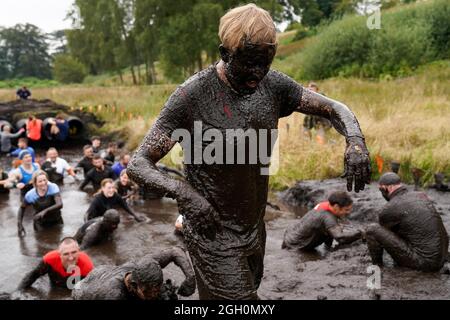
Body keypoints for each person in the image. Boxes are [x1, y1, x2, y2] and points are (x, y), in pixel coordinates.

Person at [127, 3, 370, 300]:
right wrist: (184, 194)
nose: (257, 74)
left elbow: (333, 108)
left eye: (264, 63)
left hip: (254, 230)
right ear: (225, 53)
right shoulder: (191, 97)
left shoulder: (274, 85)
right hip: (211, 234)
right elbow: (138, 164)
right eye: (249, 64)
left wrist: (355, 141)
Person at [365, 172, 449, 272]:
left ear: (389, 188)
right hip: (441, 259)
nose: (381, 192)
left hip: (424, 263)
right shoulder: (420, 195)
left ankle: (378, 267)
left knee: (372, 230)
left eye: (381, 189)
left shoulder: (389, 209)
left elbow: (381, 235)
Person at [72, 247, 195, 300]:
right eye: (149, 293)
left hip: (103, 272)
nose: (154, 295)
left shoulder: (143, 264)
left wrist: (190, 277)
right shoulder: (115, 295)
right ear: (135, 286)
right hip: (81, 292)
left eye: (156, 290)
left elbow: (175, 251)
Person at [282, 191, 362, 251]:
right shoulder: (327, 217)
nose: (349, 212)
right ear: (336, 206)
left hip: (291, 235)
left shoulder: (325, 205)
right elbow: (340, 238)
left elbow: (327, 233)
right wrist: (361, 233)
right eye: (346, 210)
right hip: (295, 246)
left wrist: (328, 248)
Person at [18, 237, 93, 290]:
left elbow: (90, 290)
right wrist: (18, 291)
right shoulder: (49, 259)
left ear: (78, 251)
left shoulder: (87, 266)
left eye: (74, 252)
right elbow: (33, 275)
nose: (71, 258)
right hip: (55, 285)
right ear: (59, 254)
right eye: (66, 254)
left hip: (75, 288)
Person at [17, 170, 63, 237]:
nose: (43, 183)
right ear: (35, 183)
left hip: (56, 220)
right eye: (40, 181)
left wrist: (45, 211)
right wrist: (19, 224)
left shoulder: (53, 187)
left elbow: (60, 204)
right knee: (41, 243)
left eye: (45, 180)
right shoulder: (30, 195)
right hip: (40, 223)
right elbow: (22, 208)